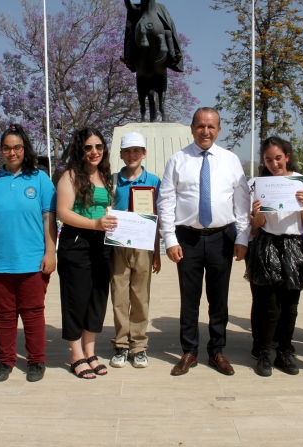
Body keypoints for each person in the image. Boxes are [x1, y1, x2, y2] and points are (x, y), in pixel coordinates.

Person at [158, 107, 251, 376]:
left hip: (223, 237)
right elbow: (166, 202)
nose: (205, 131)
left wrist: (242, 236)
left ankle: (217, 351)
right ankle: (189, 351)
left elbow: (242, 202)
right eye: (200, 126)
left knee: (218, 299)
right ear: (192, 128)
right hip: (187, 238)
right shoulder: (178, 160)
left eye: (211, 126)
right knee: (190, 299)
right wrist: (170, 239)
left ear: (219, 130)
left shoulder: (230, 160)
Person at [0, 125, 57, 383]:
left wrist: (51, 252)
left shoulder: (40, 179)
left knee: (33, 312)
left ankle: (36, 361)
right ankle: (6, 360)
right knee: (5, 314)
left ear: (25, 149)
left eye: (17, 147)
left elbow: (49, 218)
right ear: (1, 150)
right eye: (7, 147)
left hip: (32, 260)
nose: (12, 152)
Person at [248, 136, 303, 377]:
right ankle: (265, 352)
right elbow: (258, 224)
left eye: (278, 158)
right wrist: (256, 212)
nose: (274, 163)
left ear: (287, 156)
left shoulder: (302, 182)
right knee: (269, 306)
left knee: (290, 306)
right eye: (269, 159)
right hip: (268, 245)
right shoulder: (261, 184)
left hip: (295, 245)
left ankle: (285, 352)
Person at [56, 128, 116, 379]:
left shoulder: (104, 176)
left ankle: (90, 352)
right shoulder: (69, 176)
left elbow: (106, 209)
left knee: (97, 299)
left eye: (99, 147)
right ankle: (76, 354)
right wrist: (94, 224)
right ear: (79, 150)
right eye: (88, 147)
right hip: (77, 243)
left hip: (103, 244)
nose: (94, 152)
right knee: (76, 300)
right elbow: (64, 212)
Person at [108, 132, 161, 369]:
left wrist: (157, 252)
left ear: (144, 153)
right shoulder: (111, 180)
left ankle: (138, 345)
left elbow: (159, 218)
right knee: (119, 296)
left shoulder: (155, 181)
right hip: (119, 247)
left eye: (136, 151)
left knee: (140, 297)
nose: (132, 155)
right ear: (120, 154)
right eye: (127, 151)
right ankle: (121, 344)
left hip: (143, 247)